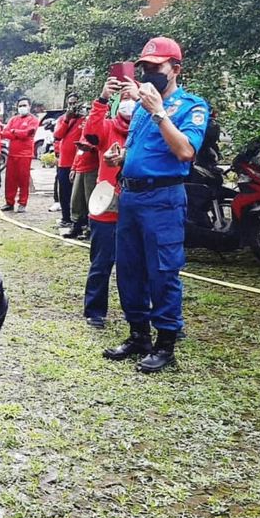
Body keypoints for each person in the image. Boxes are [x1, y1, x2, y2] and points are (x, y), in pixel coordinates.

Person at [102, 37, 208, 372]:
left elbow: (185, 152)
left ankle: (165, 344)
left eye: (156, 67)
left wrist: (159, 113)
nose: (148, 72)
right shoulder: (140, 108)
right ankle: (138, 336)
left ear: (175, 69)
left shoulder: (191, 106)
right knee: (129, 269)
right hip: (131, 197)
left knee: (163, 271)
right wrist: (120, 158)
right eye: (144, 67)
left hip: (162, 199)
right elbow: (142, 151)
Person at [82, 84, 133, 327]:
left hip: (135, 207)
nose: (128, 102)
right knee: (101, 263)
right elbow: (90, 132)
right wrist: (102, 99)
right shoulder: (108, 127)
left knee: (133, 265)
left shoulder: (145, 129)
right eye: (123, 98)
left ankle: (134, 311)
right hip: (106, 207)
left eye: (132, 97)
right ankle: (95, 311)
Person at [67, 96, 101, 239]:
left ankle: (89, 227)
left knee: (89, 199)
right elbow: (78, 150)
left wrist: (91, 148)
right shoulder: (84, 127)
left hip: (92, 168)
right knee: (76, 199)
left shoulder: (100, 125)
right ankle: (76, 225)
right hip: (80, 167)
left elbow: (101, 146)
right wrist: (74, 167)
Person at [52, 93, 84, 229]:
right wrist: (67, 120)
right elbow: (58, 135)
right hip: (64, 162)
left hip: (78, 162)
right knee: (64, 192)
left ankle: (78, 220)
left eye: (74, 103)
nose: (72, 106)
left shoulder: (84, 120)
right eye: (70, 103)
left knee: (77, 194)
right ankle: (66, 218)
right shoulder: (62, 119)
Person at [2, 98, 39, 212]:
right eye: (20, 105)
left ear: (29, 106)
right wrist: (17, 133)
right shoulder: (13, 119)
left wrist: (14, 132)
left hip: (25, 155)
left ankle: (22, 203)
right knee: (10, 180)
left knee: (23, 180)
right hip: (12, 154)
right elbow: (4, 133)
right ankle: (9, 202)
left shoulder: (33, 120)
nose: (22, 107)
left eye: (24, 105)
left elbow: (28, 133)